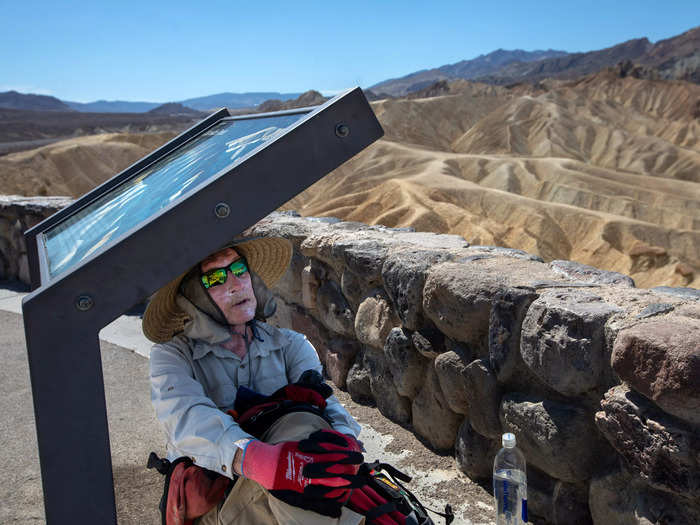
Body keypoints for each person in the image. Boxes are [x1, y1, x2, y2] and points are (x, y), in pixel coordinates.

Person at [143, 236, 366, 525]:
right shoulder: (172, 356)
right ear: (193, 297)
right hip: (219, 493)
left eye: (239, 269)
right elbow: (186, 417)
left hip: (295, 483)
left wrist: (346, 441)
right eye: (216, 278)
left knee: (310, 428)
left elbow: (326, 403)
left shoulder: (291, 344)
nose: (235, 284)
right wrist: (258, 460)